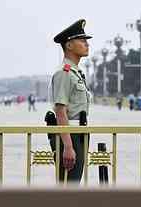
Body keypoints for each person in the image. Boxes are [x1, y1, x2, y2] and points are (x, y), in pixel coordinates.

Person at [48, 19, 91, 183]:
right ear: (69, 45)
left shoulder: (75, 72)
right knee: (68, 185)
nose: (87, 44)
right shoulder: (64, 73)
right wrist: (67, 146)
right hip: (69, 135)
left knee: (72, 184)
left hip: (79, 133)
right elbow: (60, 111)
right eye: (82, 40)